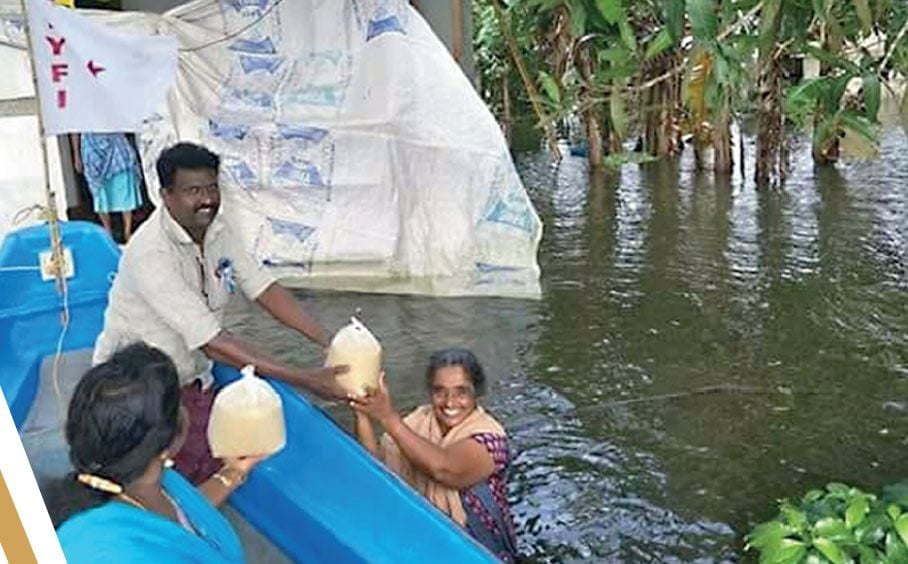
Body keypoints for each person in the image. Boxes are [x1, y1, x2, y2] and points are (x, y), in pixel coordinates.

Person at [93, 141, 346, 484]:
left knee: (211, 461)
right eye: (193, 191)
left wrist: (329, 342)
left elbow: (263, 288)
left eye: (212, 188)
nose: (207, 199)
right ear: (165, 195)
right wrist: (305, 378)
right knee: (164, 481)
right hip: (135, 393)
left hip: (193, 376)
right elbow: (211, 341)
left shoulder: (219, 230)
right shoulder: (149, 254)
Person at [50, 343, 264, 562]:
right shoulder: (119, 554)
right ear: (169, 442)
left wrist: (234, 471)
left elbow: (183, 514)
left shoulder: (141, 479)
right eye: (180, 402)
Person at [351, 348, 519, 562]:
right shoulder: (419, 421)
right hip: (421, 541)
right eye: (440, 391)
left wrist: (388, 418)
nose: (450, 402)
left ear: (476, 393)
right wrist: (361, 410)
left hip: (476, 550)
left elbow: (444, 470)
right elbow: (377, 472)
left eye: (461, 392)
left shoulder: (490, 439)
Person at [72, 132, 144, 242]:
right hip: (92, 145)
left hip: (114, 139)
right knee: (99, 191)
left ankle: (127, 231)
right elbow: (74, 129)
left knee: (124, 180)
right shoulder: (77, 114)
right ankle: (108, 232)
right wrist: (77, 156)